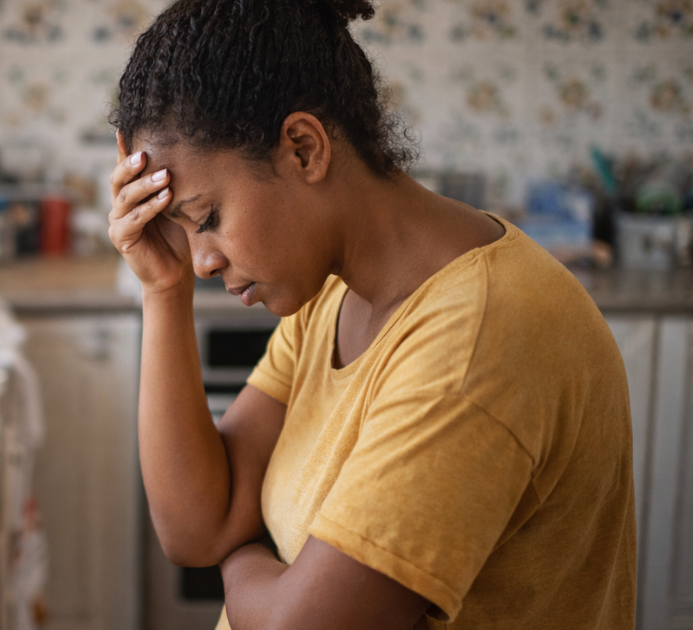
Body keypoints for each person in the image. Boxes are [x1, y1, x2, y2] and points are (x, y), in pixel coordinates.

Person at [106, 0, 636, 628]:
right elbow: (200, 527)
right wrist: (163, 291)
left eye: (207, 219)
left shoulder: (475, 343)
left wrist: (244, 550)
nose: (201, 261)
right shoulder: (332, 291)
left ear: (304, 149)